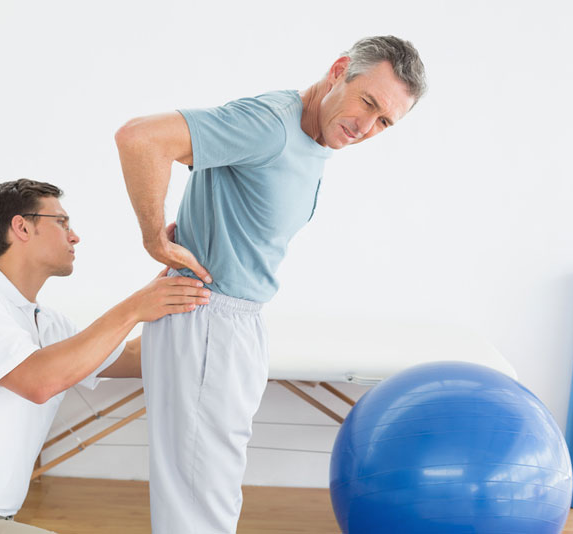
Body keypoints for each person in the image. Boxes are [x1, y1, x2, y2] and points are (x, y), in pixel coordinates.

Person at [114, 35, 427, 533]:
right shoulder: (270, 124)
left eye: (384, 122)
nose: (366, 127)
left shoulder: (314, 138)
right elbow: (140, 137)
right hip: (206, 319)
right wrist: (156, 239)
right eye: (367, 102)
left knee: (207, 490)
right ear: (339, 70)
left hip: (238, 322)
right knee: (199, 497)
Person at [0, 179, 211, 533]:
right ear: (22, 227)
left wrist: (177, 278)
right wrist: (134, 307)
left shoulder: (49, 324)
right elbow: (37, 381)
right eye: (62, 222)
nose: (74, 236)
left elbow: (135, 357)